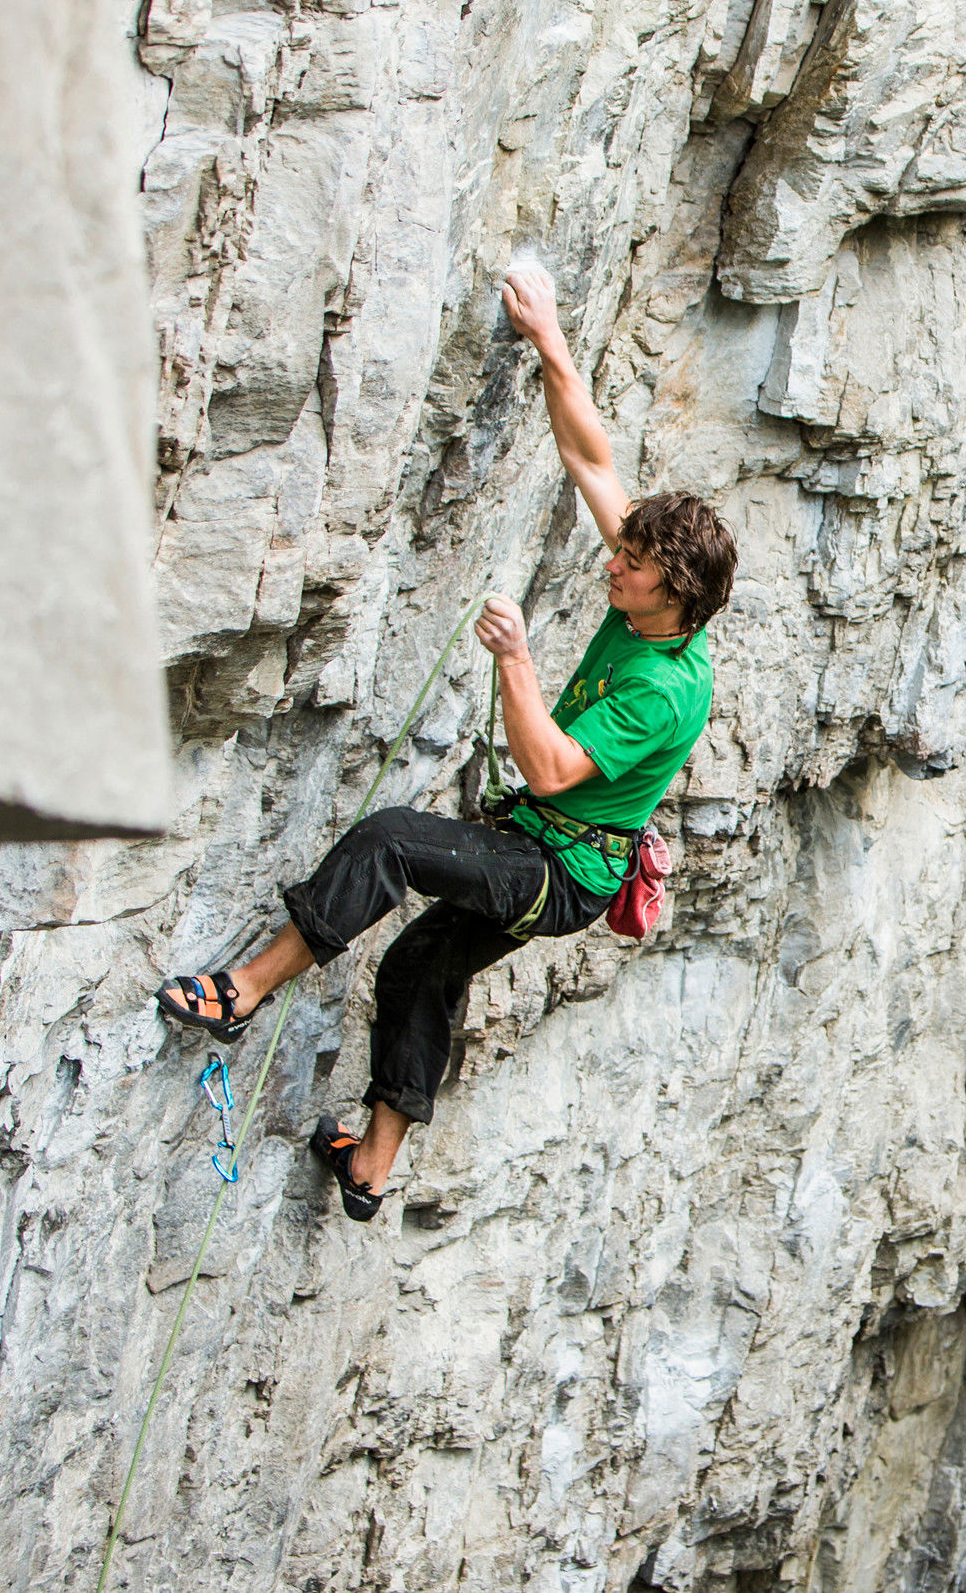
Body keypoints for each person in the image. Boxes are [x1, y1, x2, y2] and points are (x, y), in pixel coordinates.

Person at [154, 265, 736, 1221]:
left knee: (388, 838)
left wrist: (515, 659)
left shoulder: (663, 691)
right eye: (623, 548)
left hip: (559, 870)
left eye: (628, 565)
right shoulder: (661, 608)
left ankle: (243, 992)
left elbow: (548, 766)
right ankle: (371, 1165)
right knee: (419, 964)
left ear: (670, 592)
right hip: (560, 850)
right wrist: (549, 337)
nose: (610, 562)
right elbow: (591, 459)